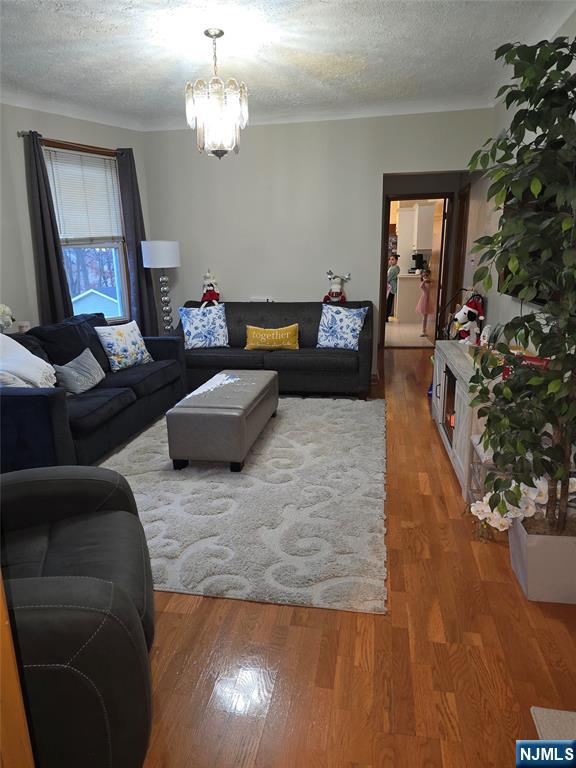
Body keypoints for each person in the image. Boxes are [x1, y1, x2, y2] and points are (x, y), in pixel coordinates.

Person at [416, 267, 431, 336]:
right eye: (424, 276)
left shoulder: (432, 283)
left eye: (427, 275)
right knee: (425, 316)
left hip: (431, 300)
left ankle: (428, 330)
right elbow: (421, 286)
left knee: (430, 316)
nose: (425, 277)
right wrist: (424, 281)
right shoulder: (424, 283)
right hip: (425, 300)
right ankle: (423, 330)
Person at [386, 254, 400, 322]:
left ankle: (386, 316)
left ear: (396, 260)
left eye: (392, 259)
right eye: (390, 259)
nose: (390, 261)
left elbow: (388, 278)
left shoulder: (394, 268)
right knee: (389, 302)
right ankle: (386, 316)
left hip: (391, 288)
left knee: (388, 302)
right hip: (390, 287)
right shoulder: (392, 267)